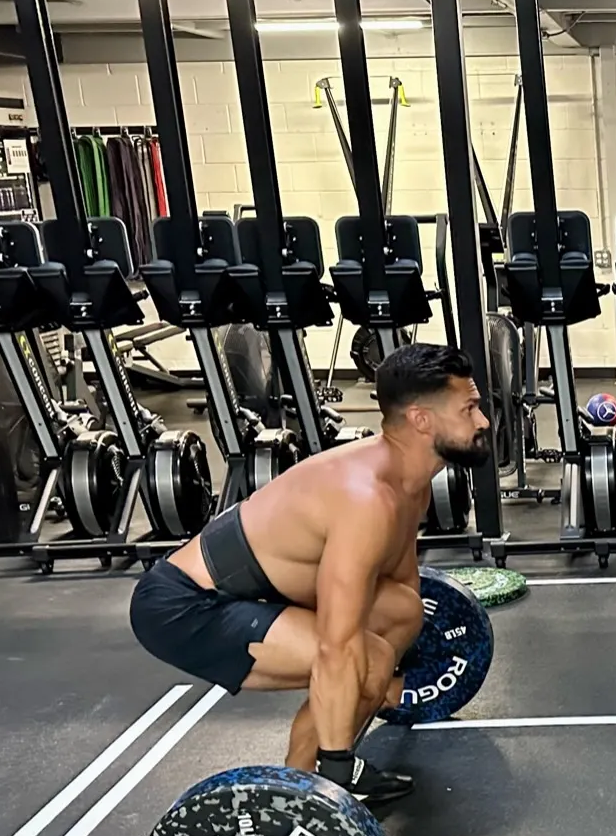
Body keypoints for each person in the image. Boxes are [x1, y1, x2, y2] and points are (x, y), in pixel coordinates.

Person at [129, 343, 492, 803]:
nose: (482, 422)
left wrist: (388, 684)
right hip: (186, 607)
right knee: (365, 660)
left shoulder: (409, 482)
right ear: (422, 420)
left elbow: (400, 590)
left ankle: (310, 775)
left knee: (402, 613)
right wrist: (351, 730)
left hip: (254, 586)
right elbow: (337, 647)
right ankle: (310, 793)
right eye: (470, 408)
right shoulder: (367, 500)